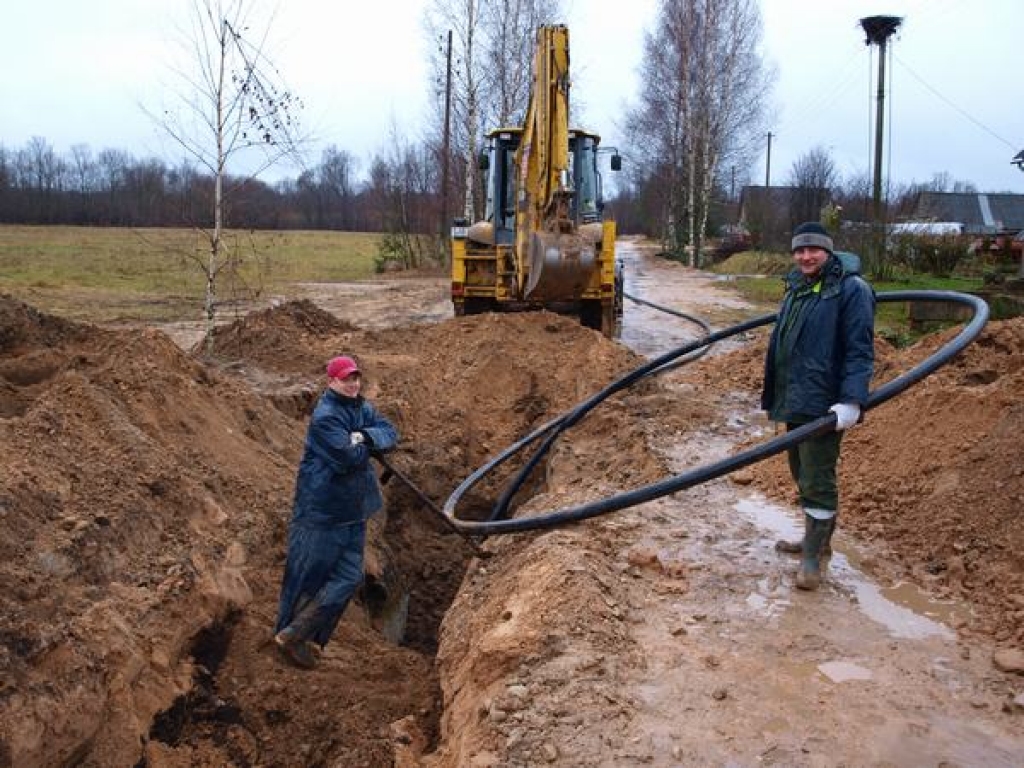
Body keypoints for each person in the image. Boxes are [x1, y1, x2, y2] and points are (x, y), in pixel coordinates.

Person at [761, 222, 875, 591]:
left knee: (817, 477)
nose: (806, 256)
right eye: (799, 250)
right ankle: (817, 539)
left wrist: (851, 400)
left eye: (813, 250)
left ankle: (814, 559)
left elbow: (859, 350)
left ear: (828, 251)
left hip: (825, 403)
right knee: (800, 471)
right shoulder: (798, 287)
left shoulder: (850, 290)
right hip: (796, 398)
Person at [274, 354, 398, 668]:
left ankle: (295, 634)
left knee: (348, 578)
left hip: (353, 511)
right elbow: (348, 458)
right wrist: (362, 445)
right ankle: (288, 638)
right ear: (332, 381)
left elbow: (389, 432)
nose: (354, 384)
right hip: (323, 512)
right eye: (346, 379)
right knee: (308, 576)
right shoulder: (326, 417)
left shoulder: (361, 407)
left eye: (356, 378)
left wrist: (365, 437)